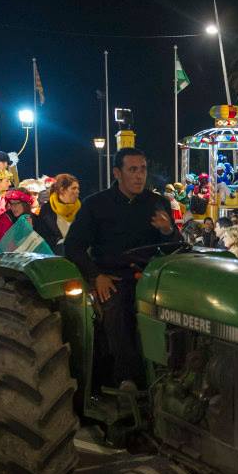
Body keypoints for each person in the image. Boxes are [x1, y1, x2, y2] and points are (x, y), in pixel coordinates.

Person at [65, 147, 179, 388]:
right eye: (133, 170)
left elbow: (173, 248)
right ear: (117, 173)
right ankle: (127, 382)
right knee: (118, 311)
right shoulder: (96, 205)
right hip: (112, 278)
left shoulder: (156, 203)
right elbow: (73, 247)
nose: (139, 176)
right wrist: (96, 276)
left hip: (150, 277)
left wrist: (168, 230)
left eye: (143, 170)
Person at [33, 173, 80, 254]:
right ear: (62, 190)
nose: (77, 191)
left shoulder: (80, 208)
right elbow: (43, 236)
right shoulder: (47, 210)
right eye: (73, 188)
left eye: (78, 188)